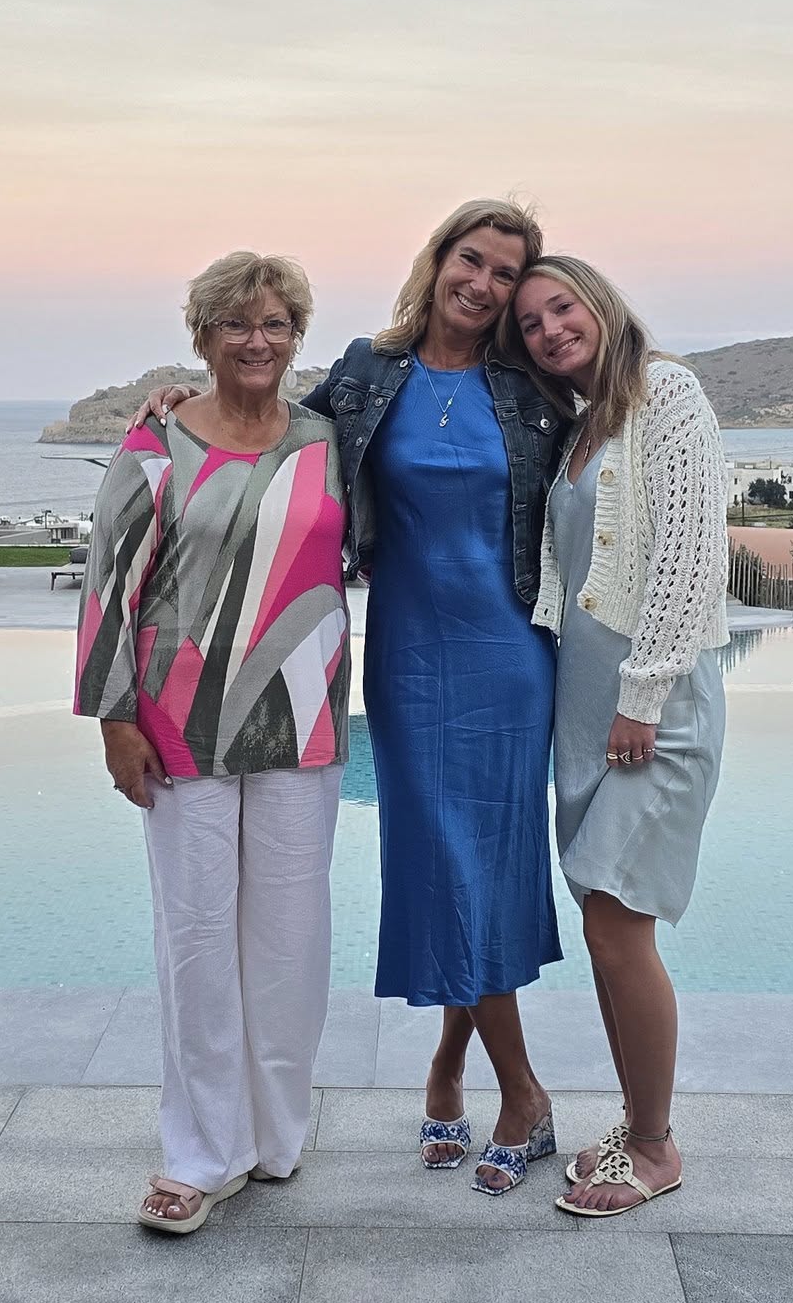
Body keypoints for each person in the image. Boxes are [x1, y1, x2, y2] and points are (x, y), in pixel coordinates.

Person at [138, 198, 570, 1194]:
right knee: (439, 862)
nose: (485, 284)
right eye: (472, 260)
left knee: (487, 868)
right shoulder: (367, 376)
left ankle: (505, 1087)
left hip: (508, 654)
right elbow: (263, 430)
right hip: (408, 655)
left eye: (506, 273)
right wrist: (176, 404)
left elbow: (597, 466)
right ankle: (462, 1071)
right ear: (439, 259)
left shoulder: (532, 387)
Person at [74, 251, 350, 1234]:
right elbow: (108, 587)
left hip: (302, 719)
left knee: (288, 945)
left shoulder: (326, 441)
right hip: (178, 724)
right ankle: (199, 1152)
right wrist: (113, 721)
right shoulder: (155, 445)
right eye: (236, 324)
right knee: (197, 943)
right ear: (202, 335)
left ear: (294, 335)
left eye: (274, 324)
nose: (255, 341)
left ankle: (275, 1138)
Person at [501, 255, 729, 1218]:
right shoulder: (582, 422)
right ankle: (640, 1117)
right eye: (531, 325)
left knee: (614, 924)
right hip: (589, 714)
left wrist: (643, 694)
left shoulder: (666, 393)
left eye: (562, 308)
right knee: (605, 926)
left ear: (599, 302)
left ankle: (654, 1144)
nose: (551, 330)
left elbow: (689, 557)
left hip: (654, 711)